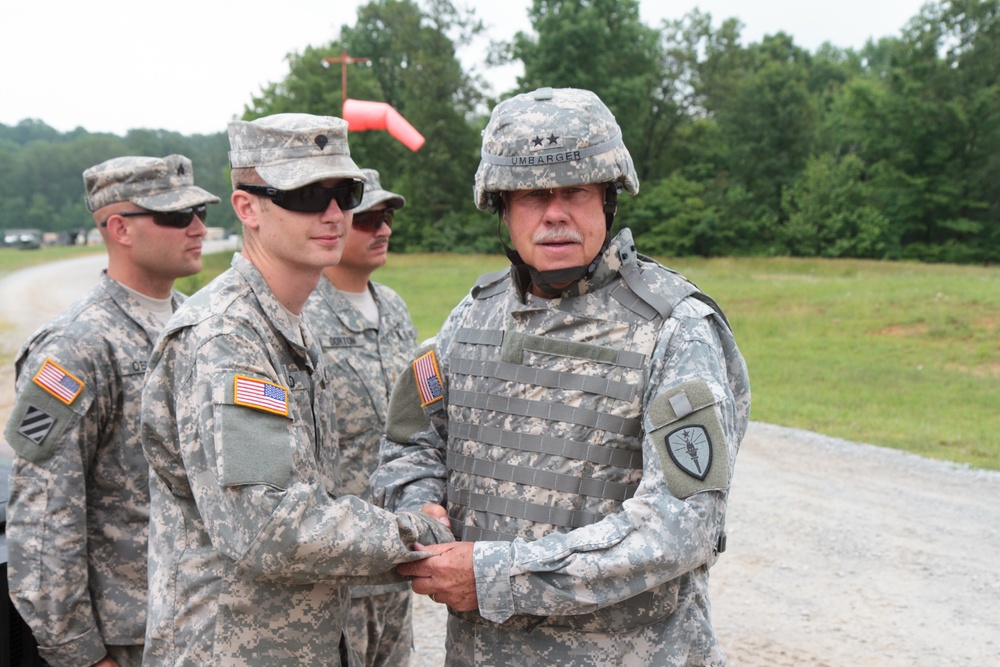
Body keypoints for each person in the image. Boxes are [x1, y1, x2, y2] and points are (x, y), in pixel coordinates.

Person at [371, 87, 752, 666]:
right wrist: (419, 508)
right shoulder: (470, 318)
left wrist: (494, 576)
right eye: (530, 195)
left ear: (607, 200)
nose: (554, 213)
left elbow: (680, 528)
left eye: (574, 190)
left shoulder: (675, 329)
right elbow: (409, 443)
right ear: (502, 207)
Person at [139, 113, 452, 666]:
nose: (335, 213)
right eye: (306, 194)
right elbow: (267, 526)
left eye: (345, 192)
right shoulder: (226, 337)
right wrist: (414, 531)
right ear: (248, 208)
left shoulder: (285, 322)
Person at [3, 154, 220, 667]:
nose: (196, 228)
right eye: (174, 216)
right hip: (128, 635)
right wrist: (76, 652)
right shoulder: (74, 348)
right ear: (119, 228)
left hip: (203, 622)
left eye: (200, 213)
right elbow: (42, 516)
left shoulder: (201, 325)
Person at [302, 168, 419, 667]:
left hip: (397, 559)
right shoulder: (302, 313)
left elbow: (420, 422)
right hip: (334, 573)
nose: (383, 229)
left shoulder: (393, 308)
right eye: (368, 218)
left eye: (386, 217)